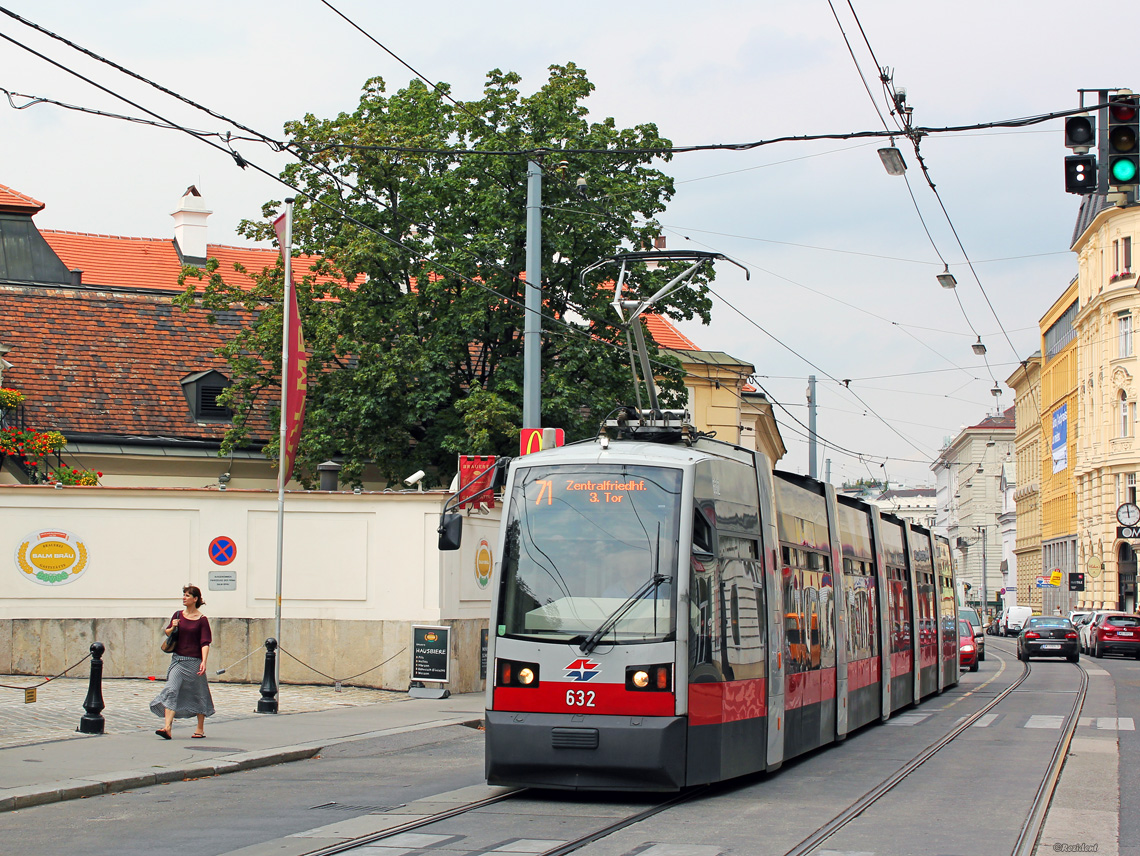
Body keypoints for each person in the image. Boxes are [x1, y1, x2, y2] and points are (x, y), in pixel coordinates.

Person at [151, 584, 215, 739]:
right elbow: (167, 632)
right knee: (171, 689)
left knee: (199, 693)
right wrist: (172, 627)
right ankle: (167, 728)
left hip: (194, 661)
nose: (184, 598)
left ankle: (200, 728)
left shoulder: (202, 620)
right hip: (178, 660)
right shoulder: (178, 615)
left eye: (187, 595)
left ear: (195, 599)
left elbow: (205, 643)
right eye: (184, 595)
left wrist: (204, 662)